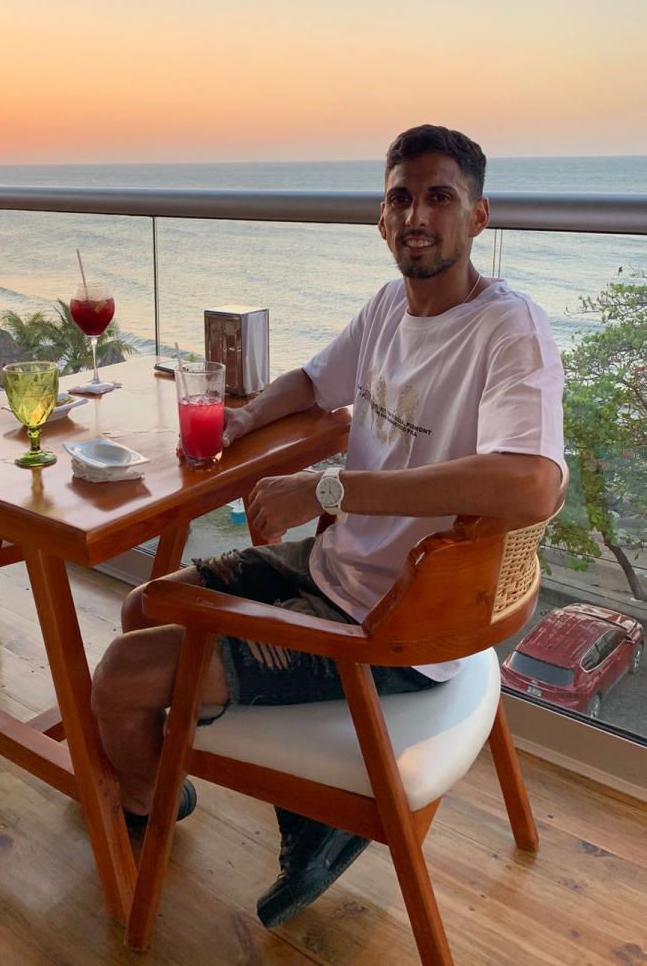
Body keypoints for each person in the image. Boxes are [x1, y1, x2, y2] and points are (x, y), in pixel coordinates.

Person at [90, 124, 565, 927]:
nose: (417, 215)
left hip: (398, 620)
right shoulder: (389, 306)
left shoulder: (507, 330)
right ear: (382, 218)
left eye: (439, 196)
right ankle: (259, 786)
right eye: (401, 197)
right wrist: (242, 422)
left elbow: (531, 482)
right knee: (144, 608)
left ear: (479, 215)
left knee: (120, 678)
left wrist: (331, 491)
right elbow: (315, 381)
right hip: (335, 570)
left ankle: (147, 802)